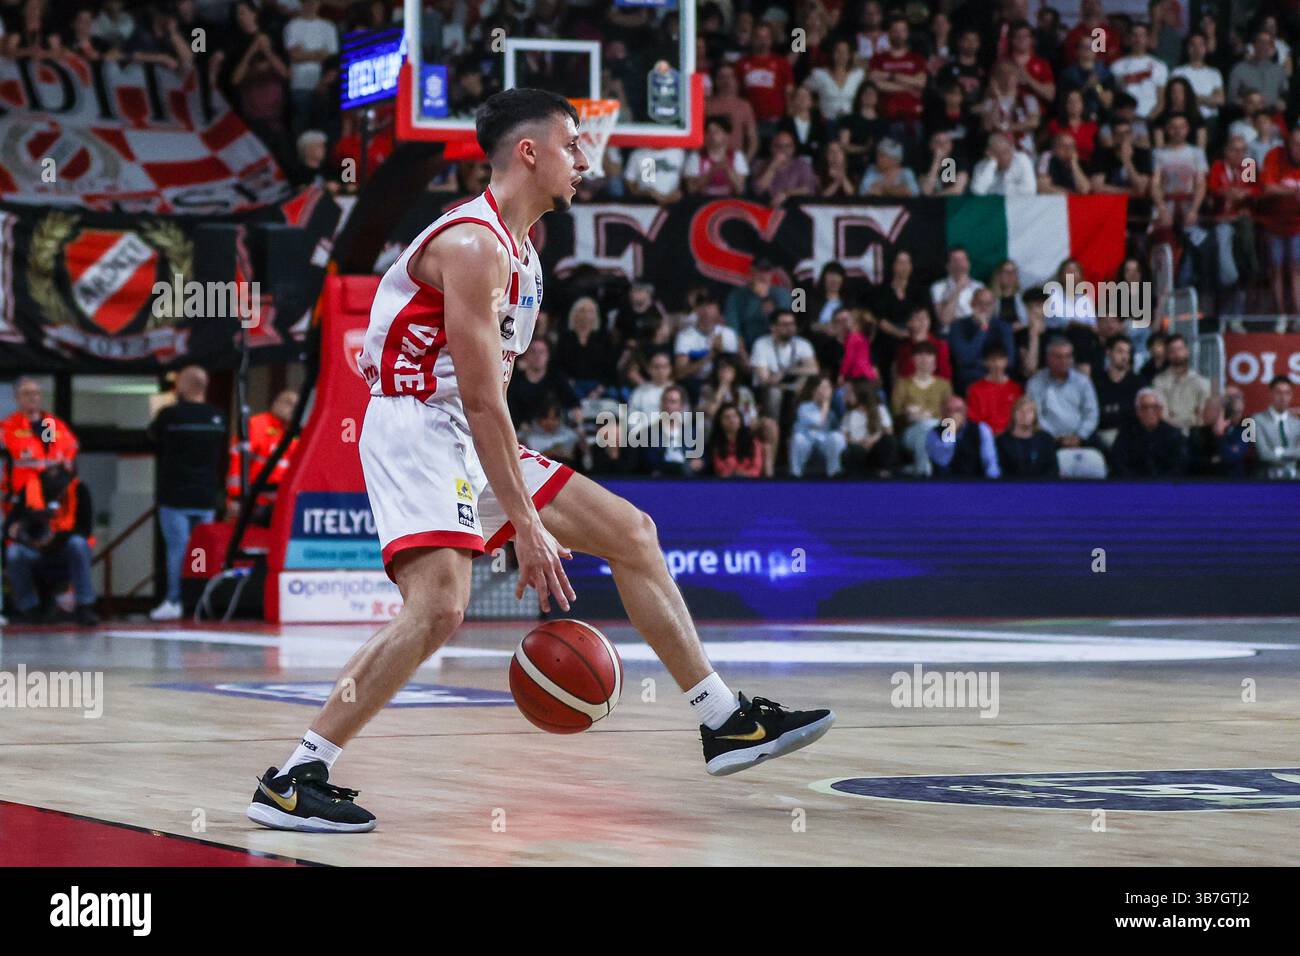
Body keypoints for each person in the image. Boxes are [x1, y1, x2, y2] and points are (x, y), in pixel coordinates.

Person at [246, 89, 833, 832]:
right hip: (416, 426)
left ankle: (723, 720)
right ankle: (295, 777)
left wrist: (518, 498)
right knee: (440, 609)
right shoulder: (473, 246)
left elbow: (491, 406)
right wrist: (524, 522)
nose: (585, 160)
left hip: (465, 428)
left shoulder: (524, 254)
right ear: (530, 152)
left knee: (633, 532)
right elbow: (485, 402)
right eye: (573, 145)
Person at [147, 367, 227, 623]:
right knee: (203, 551)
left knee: (177, 550)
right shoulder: (218, 417)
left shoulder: (169, 415)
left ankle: (174, 600)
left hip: (174, 495)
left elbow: (151, 438)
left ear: (182, 385)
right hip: (206, 494)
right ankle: (201, 600)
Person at [2, 464, 97, 626]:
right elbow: (9, 527)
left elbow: (84, 530)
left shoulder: (79, 489)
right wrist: (20, 531)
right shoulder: (31, 490)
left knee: (79, 544)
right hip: (35, 550)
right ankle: (29, 608)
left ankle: (84, 605)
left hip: (63, 550)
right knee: (14, 552)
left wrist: (55, 540)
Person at [2, 378, 79, 510]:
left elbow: (71, 446)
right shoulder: (9, 426)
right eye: (26, 393)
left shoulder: (51, 423)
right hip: (22, 492)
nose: (32, 397)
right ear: (17, 398)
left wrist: (67, 461)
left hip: (52, 489)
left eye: (36, 393)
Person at [226, 388, 300, 520]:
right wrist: (235, 498)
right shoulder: (256, 425)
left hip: (285, 504)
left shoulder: (298, 433)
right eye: (287, 402)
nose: (291, 407)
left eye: (295, 405)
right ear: (276, 403)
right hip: (254, 503)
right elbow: (237, 463)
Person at [1025, 336, 1100, 448]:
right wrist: (1057, 438)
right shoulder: (1036, 382)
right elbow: (1037, 417)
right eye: (1058, 357)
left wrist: (1079, 436)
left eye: (1068, 356)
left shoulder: (1082, 382)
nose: (1064, 361)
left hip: (1081, 437)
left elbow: (1091, 413)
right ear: (1048, 358)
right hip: (1048, 439)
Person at [891, 341, 953, 476]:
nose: (924, 358)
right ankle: (924, 472)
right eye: (920, 354)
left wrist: (926, 416)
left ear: (935, 359)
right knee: (925, 430)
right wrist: (909, 416)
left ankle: (922, 471)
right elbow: (896, 413)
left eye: (928, 354)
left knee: (937, 427)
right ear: (913, 359)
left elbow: (950, 414)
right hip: (910, 431)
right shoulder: (902, 384)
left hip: (939, 428)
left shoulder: (944, 385)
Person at [1108, 388, 1190, 477]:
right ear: (1138, 412)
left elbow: (1180, 467)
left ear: (1160, 410)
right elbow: (1118, 463)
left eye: (1154, 407)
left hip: (1165, 486)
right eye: (1144, 407)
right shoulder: (1126, 433)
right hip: (1133, 485)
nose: (1149, 411)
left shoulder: (1174, 435)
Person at [925, 395, 999, 478]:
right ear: (942, 413)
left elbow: (990, 462)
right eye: (948, 410)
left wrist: (993, 485)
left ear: (965, 412)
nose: (953, 415)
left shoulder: (981, 429)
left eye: (958, 410)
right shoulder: (933, 433)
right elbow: (943, 460)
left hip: (975, 483)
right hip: (945, 485)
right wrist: (950, 430)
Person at [1151, 334, 1210, 433]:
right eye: (1172, 351)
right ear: (1167, 355)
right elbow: (1163, 416)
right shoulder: (1158, 382)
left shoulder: (1202, 382)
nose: (1177, 353)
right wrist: (1191, 417)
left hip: (1195, 436)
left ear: (1187, 351)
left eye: (1180, 349)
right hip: (1169, 435)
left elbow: (1202, 417)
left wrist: (1175, 416)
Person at [789, 376, 847, 477]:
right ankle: (795, 474)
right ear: (814, 391)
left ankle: (834, 473)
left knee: (837, 437)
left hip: (824, 442)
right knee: (798, 439)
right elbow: (818, 423)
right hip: (806, 442)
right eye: (823, 387)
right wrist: (825, 404)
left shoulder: (833, 407)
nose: (827, 391)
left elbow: (841, 425)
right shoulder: (804, 407)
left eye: (829, 387)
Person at [1092, 334, 1143, 447]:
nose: (1125, 357)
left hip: (1131, 436)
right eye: (1120, 351)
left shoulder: (1138, 383)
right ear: (1108, 352)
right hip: (1102, 435)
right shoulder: (1096, 382)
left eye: (1127, 352)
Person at [840, 379, 897, 477]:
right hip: (858, 449)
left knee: (889, 440)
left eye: (850, 393)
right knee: (854, 451)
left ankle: (883, 471)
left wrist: (873, 439)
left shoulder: (879, 409)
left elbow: (888, 430)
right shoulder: (849, 414)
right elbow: (845, 436)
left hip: (875, 449)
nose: (847, 396)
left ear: (860, 394)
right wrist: (859, 443)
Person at [965, 342, 1022, 434]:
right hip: (984, 436)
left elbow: (1019, 417)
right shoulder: (975, 389)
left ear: (1006, 361)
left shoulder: (1016, 388)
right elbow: (973, 420)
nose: (997, 364)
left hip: (1010, 436)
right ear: (985, 363)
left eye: (1001, 359)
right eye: (993, 360)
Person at [996, 396, 1059, 477]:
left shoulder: (1046, 439)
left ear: (1035, 415)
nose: (1024, 415)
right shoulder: (1002, 441)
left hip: (1042, 487)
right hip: (1012, 487)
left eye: (1029, 411)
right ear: (1013, 413)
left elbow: (1052, 469)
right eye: (1020, 411)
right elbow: (1001, 470)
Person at [1252, 375, 1300, 480]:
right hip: (1268, 478)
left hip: (1296, 478)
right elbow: (1263, 453)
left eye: (1287, 393)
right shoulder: (1257, 420)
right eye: (1279, 393)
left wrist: (1278, 451)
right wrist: (1292, 453)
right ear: (1271, 394)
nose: (1283, 398)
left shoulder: (1297, 423)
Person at [706, 403, 765, 478]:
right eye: (726, 417)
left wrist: (745, 475)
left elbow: (757, 468)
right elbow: (720, 469)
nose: (731, 420)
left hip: (751, 483)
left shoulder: (752, 441)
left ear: (740, 419)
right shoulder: (717, 444)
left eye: (735, 416)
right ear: (720, 422)